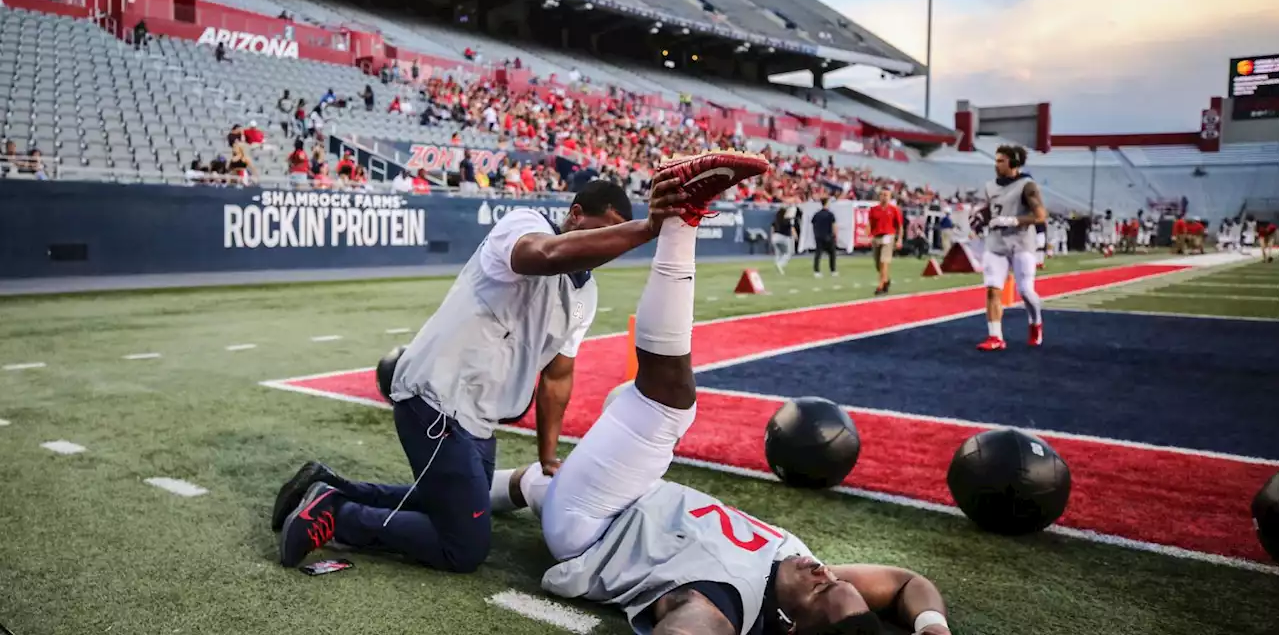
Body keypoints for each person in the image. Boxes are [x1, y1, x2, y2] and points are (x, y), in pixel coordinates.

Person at [272, 151, 770, 574]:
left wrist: (549, 454)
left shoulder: (585, 295)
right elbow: (545, 255)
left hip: (477, 419)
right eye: (602, 232)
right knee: (464, 548)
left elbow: (557, 376)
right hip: (435, 400)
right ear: (575, 215)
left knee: (449, 503)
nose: (606, 249)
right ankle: (338, 514)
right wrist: (646, 228)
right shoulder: (524, 224)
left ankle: (331, 486)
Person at [488, 200, 952, 635]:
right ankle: (435, 496)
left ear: (790, 626)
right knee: (563, 456)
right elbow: (908, 583)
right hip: (635, 498)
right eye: (833, 577)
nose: (823, 571)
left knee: (666, 404)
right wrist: (934, 627)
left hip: (593, 522)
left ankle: (680, 226)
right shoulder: (805, 574)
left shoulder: (721, 605)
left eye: (823, 586)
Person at [977, 145, 1047, 351]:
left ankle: (1035, 322)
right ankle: (995, 336)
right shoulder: (990, 186)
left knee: (1025, 290)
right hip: (996, 243)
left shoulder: (1027, 185)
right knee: (992, 290)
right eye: (996, 160)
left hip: (1021, 243)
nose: (996, 164)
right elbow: (991, 211)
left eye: (1001, 161)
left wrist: (1011, 220)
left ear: (1014, 163)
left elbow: (1041, 216)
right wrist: (980, 217)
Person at [866, 188, 901, 295]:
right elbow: (869, 223)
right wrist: (869, 235)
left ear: (890, 197)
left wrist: (899, 239)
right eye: (882, 194)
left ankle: (880, 286)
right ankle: (886, 279)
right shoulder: (874, 209)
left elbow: (899, 226)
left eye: (886, 195)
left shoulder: (894, 209)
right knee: (878, 264)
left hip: (888, 236)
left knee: (884, 261)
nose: (884, 197)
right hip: (877, 237)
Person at [811, 198, 837, 278]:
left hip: (819, 236)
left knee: (818, 254)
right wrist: (834, 235)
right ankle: (833, 271)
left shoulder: (817, 214)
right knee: (832, 254)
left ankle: (816, 271)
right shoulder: (830, 214)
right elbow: (834, 226)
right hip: (828, 236)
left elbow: (813, 223)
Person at [770, 204, 795, 275]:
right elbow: (790, 229)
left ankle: (778, 268)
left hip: (774, 237)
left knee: (778, 254)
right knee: (787, 253)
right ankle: (779, 265)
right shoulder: (787, 220)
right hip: (783, 237)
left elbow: (772, 229)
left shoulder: (776, 220)